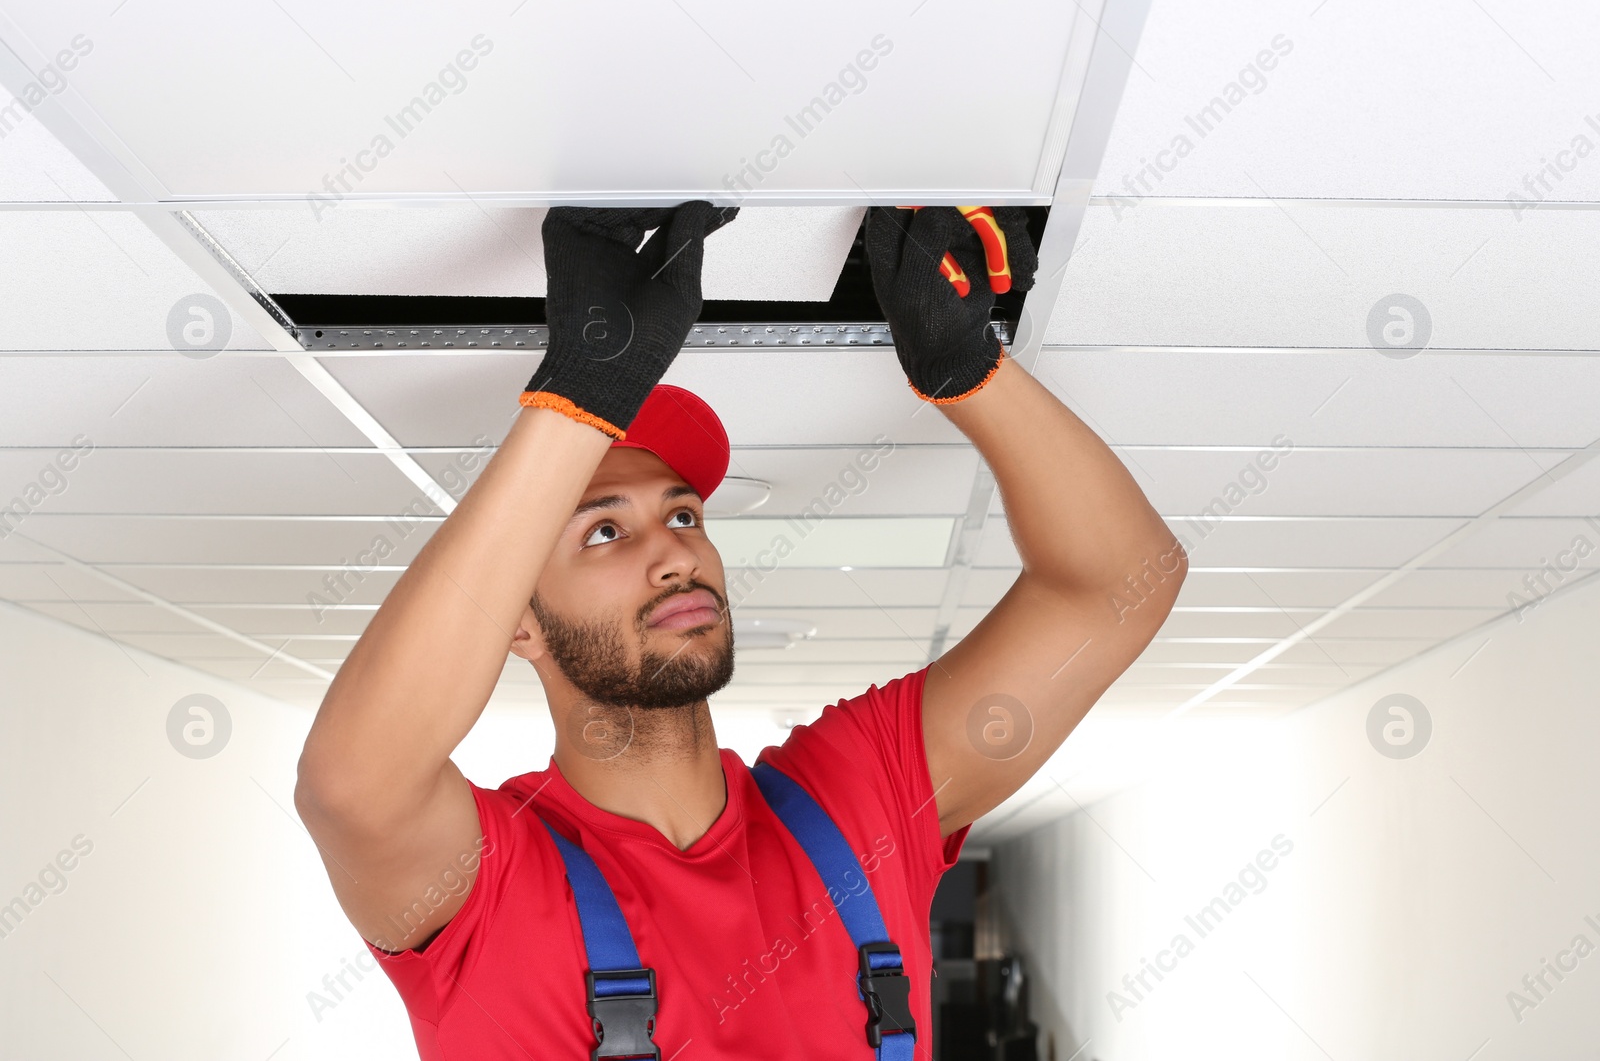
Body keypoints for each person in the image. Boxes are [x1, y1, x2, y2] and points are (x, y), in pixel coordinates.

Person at [294, 202, 1185, 1059]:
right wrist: (578, 395)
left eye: (683, 517)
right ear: (515, 622)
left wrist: (970, 373)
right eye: (605, 530)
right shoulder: (485, 886)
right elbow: (352, 785)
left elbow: (1120, 582)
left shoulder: (855, 800)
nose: (675, 555)